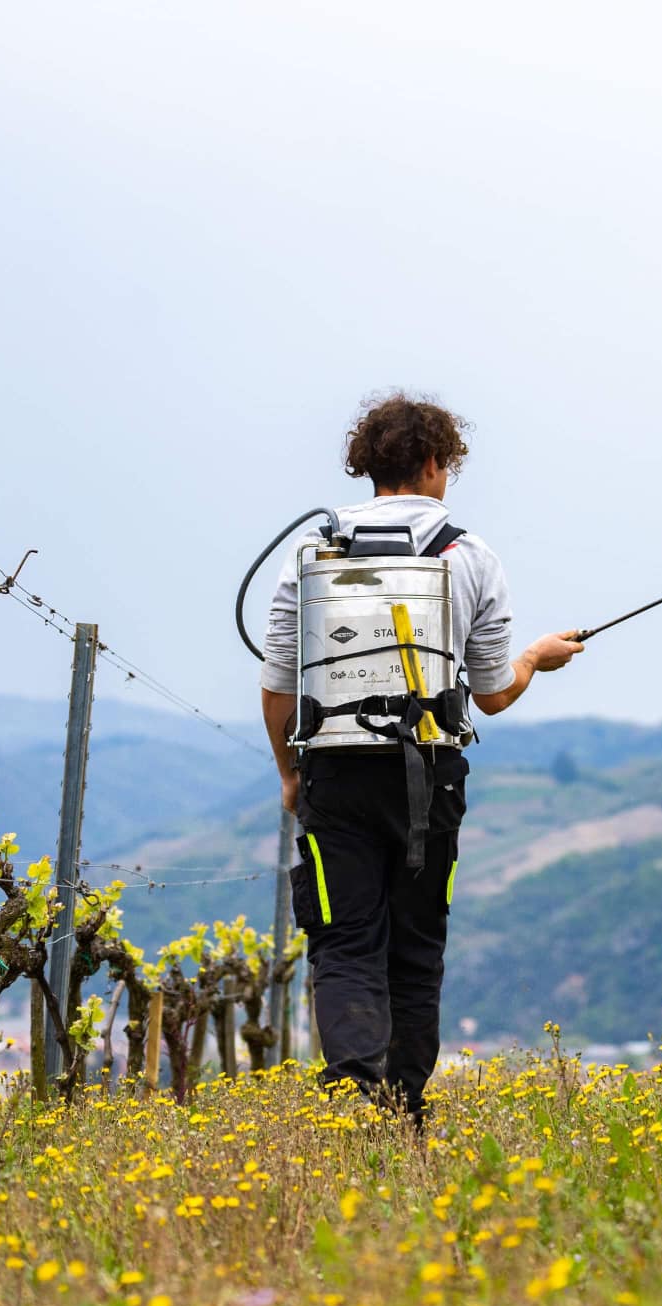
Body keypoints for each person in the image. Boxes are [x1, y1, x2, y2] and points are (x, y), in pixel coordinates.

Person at [258, 391, 582, 1122]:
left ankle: (351, 1104)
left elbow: (279, 685)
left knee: (342, 942)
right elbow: (494, 693)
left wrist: (289, 773)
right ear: (436, 462)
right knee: (416, 943)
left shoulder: (312, 554)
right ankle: (403, 1113)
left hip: (334, 774)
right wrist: (536, 655)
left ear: (369, 464)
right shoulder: (470, 556)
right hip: (429, 781)